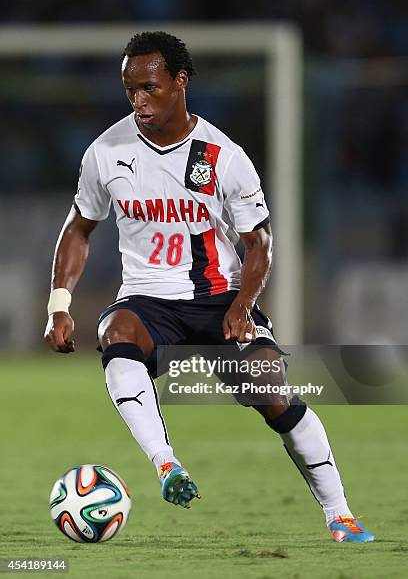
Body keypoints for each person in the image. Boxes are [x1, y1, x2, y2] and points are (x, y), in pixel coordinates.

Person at [44, 31, 374, 542]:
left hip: (220, 297)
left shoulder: (223, 155)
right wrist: (59, 305)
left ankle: (340, 513)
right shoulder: (105, 152)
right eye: (130, 90)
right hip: (149, 299)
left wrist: (245, 304)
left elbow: (259, 241)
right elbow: (79, 227)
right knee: (116, 329)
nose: (139, 101)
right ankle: (166, 464)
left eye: (150, 88)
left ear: (180, 81)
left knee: (271, 391)